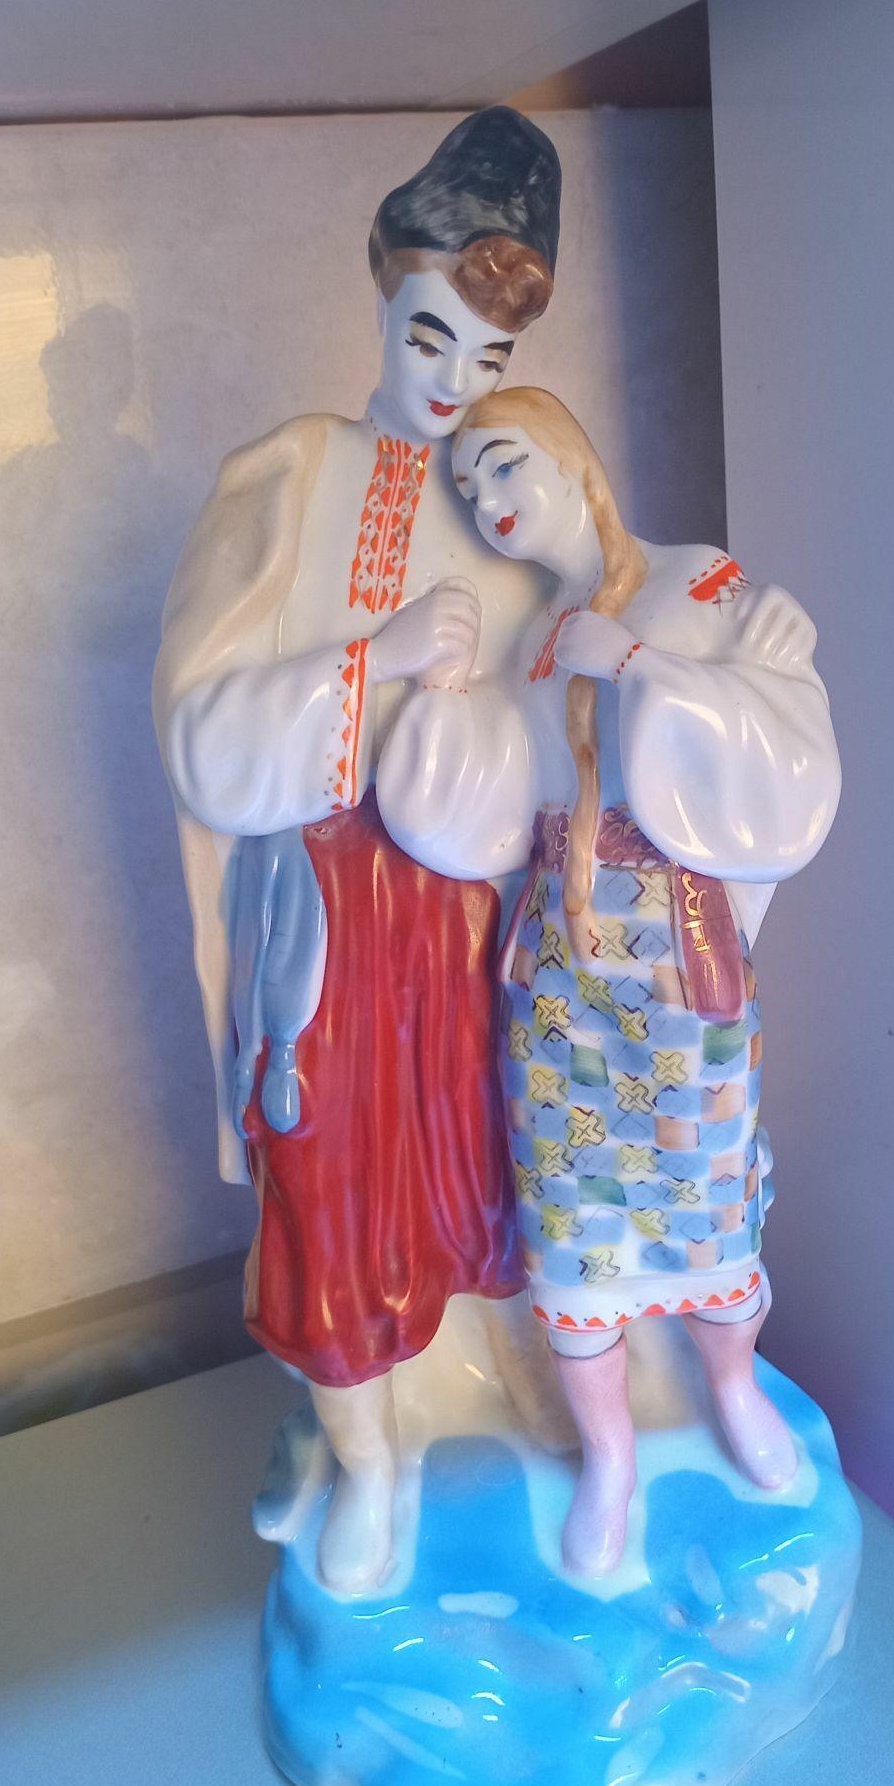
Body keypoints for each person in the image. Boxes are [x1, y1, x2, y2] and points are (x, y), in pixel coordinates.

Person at [153, 113, 562, 1594]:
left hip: (464, 928)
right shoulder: (288, 477)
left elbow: (568, 702)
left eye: (487, 360)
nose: (452, 385)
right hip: (320, 924)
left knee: (487, 1176)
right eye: (430, 336)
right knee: (326, 1185)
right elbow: (202, 733)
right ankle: (366, 1455)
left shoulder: (513, 491)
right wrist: (371, 664)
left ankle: (504, 1411)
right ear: (383, 298)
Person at [376, 387, 841, 1575]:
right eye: (469, 486)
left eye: (504, 465)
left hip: (676, 956)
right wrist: (439, 699)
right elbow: (491, 803)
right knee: (572, 1213)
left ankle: (732, 1388)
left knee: (708, 1185)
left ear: (570, 457)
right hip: (559, 971)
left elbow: (781, 729)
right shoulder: (531, 637)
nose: (489, 500)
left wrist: (638, 662)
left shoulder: (702, 582)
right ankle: (611, 1454)